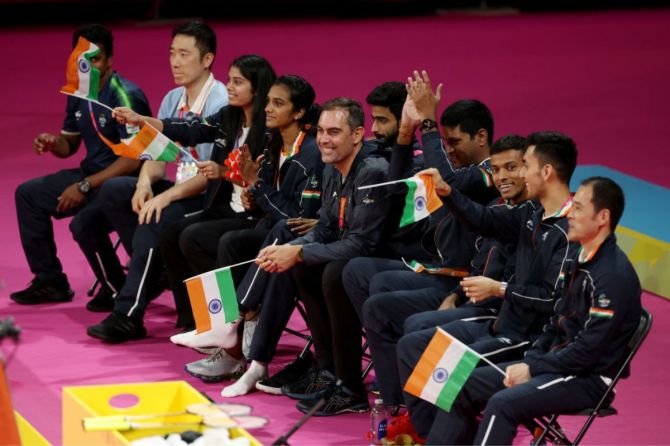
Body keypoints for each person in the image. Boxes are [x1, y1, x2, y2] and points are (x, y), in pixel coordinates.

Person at [407, 177, 641, 445]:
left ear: (602, 217)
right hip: (556, 362)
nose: (570, 215)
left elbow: (587, 351)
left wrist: (532, 367)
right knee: (460, 384)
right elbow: (556, 321)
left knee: (503, 404)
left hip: (586, 378)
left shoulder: (612, 277)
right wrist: (532, 359)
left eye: (577, 208)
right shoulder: (579, 258)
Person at [398, 130, 578, 439]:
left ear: (545, 172)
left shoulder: (570, 231)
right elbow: (484, 219)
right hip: (503, 325)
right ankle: (432, 436)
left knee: (446, 372)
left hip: (529, 340)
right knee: (413, 346)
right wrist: (447, 192)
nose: (519, 174)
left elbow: (553, 301)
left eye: (524, 165)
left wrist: (499, 289)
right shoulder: (531, 212)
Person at [86, 54, 274, 343]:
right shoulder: (229, 117)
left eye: (238, 82)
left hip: (253, 213)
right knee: (174, 234)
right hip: (226, 206)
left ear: (258, 90)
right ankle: (194, 321)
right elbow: (189, 129)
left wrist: (223, 172)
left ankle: (222, 324)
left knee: (193, 236)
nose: (231, 87)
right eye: (230, 80)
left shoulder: (270, 133)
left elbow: (264, 179)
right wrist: (142, 120)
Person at [366, 134, 530, 411]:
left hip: (501, 313)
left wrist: (497, 290)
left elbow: (531, 292)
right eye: (497, 169)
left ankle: (427, 417)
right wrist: (454, 297)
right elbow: (480, 264)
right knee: (379, 304)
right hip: (470, 297)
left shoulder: (531, 219)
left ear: (532, 170)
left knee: (418, 330)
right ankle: (398, 405)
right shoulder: (498, 209)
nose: (501, 176)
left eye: (511, 168)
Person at [76, 21, 228, 312]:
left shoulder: (219, 103)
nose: (175, 62)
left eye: (184, 54)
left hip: (209, 194)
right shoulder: (173, 98)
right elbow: (156, 156)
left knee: (154, 218)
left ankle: (127, 312)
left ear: (207, 59)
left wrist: (165, 196)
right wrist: (145, 184)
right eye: (172, 53)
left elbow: (212, 175)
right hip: (181, 186)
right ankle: (156, 270)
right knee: (115, 192)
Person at [255, 98, 391, 415]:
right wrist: (292, 249)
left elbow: (363, 244)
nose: (325, 140)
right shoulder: (332, 167)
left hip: (389, 257)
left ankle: (351, 389)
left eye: (334, 132)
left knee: (334, 273)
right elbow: (328, 228)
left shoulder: (373, 171)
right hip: (356, 254)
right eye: (321, 131)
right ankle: (328, 370)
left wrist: (301, 250)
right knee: (303, 267)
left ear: (357, 134)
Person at [10, 24, 151, 305]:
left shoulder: (125, 96)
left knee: (82, 225)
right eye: (82, 59)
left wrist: (86, 186)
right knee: (27, 195)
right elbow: (69, 145)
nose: (89, 65)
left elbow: (135, 160)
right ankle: (50, 281)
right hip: (90, 175)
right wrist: (53, 143)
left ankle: (115, 287)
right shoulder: (79, 92)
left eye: (96, 58)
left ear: (109, 60)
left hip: (120, 184)